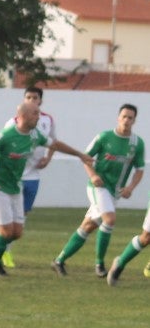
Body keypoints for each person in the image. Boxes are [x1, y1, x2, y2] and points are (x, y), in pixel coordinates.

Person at [0, 101, 89, 277]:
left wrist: (80, 155)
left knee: (17, 233)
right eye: (35, 114)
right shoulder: (5, 136)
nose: (39, 117)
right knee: (6, 232)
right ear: (23, 116)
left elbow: (56, 145)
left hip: (16, 186)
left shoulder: (35, 135)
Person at [52, 104, 143, 279]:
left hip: (114, 192)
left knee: (88, 226)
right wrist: (93, 175)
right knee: (109, 219)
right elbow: (86, 158)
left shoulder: (137, 143)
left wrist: (130, 187)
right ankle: (100, 264)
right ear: (118, 117)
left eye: (130, 118)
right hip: (98, 188)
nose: (126, 120)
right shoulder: (104, 137)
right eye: (124, 116)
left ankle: (59, 260)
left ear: (134, 121)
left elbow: (139, 169)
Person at [0, 86, 55, 269]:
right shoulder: (12, 124)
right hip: (5, 180)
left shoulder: (47, 121)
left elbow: (53, 142)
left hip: (30, 176)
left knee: (18, 224)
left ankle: (3, 251)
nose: (31, 100)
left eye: (35, 98)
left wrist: (48, 158)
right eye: (28, 97)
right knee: (1, 220)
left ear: (40, 101)